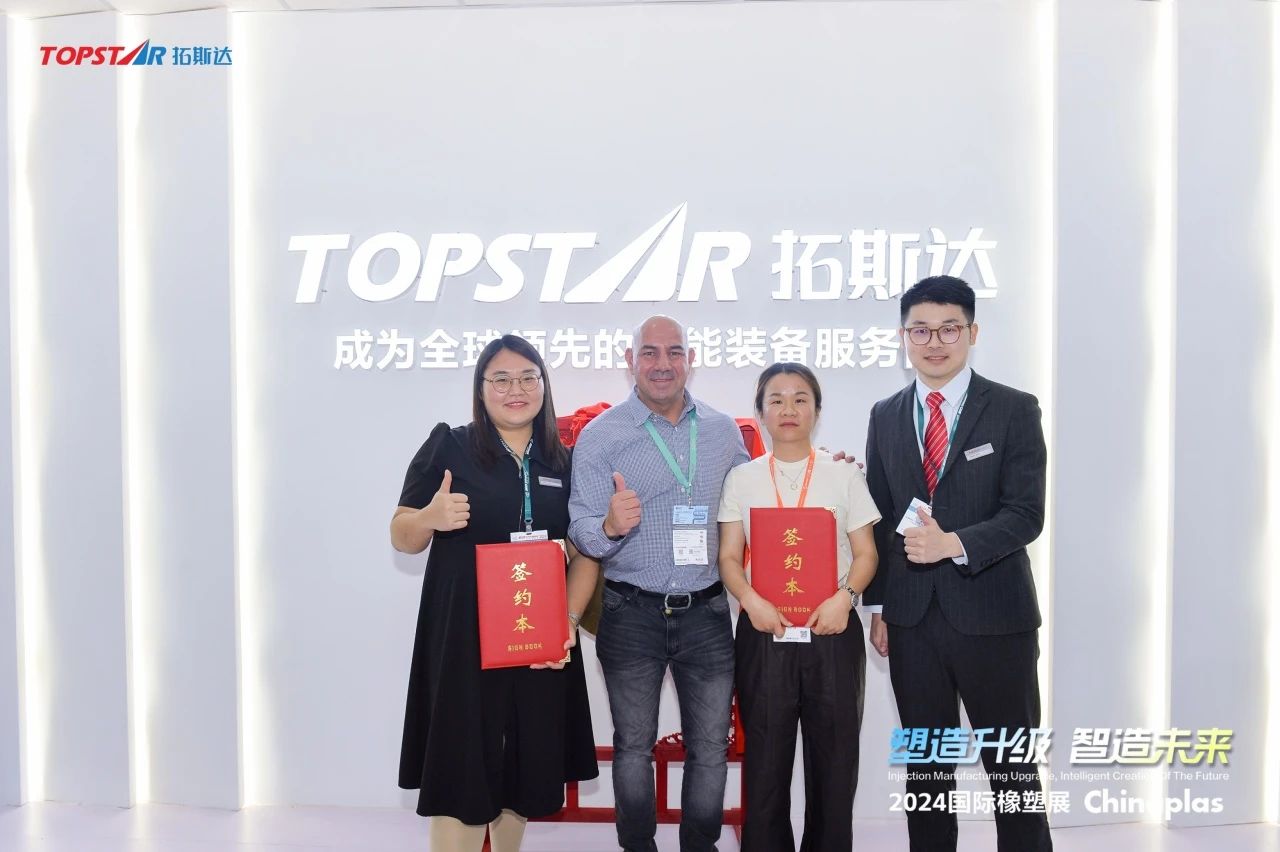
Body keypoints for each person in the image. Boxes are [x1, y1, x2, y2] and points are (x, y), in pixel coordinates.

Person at [862, 275, 1053, 852]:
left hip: (996, 617)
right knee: (926, 776)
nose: (934, 342)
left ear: (972, 332)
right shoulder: (885, 414)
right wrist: (879, 603)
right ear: (904, 337)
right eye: (920, 330)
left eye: (949, 329)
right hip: (912, 620)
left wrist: (955, 543)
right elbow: (883, 513)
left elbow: (1026, 513)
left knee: (1012, 773)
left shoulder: (1014, 408)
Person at [390, 334, 599, 852]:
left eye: (528, 377)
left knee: (522, 766)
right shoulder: (450, 446)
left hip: (537, 639)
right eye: (500, 379)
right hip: (464, 635)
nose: (516, 389)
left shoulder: (564, 460)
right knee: (460, 766)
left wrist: (567, 624)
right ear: (480, 388)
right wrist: (430, 517)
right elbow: (402, 534)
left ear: (544, 386)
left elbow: (585, 553)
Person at [568, 315, 749, 852]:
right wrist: (608, 526)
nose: (662, 364)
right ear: (631, 362)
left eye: (674, 352)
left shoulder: (722, 431)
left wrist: (826, 474)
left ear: (690, 359)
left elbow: (756, 502)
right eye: (649, 352)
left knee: (710, 748)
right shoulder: (600, 436)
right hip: (630, 612)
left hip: (707, 613)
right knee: (633, 747)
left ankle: (700, 845)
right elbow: (580, 529)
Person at [717, 362, 879, 852]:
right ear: (760, 412)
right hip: (765, 632)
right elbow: (729, 557)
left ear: (817, 410)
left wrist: (845, 599)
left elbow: (867, 553)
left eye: (800, 399)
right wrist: (751, 601)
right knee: (766, 762)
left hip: (832, 629)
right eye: (777, 399)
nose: (789, 409)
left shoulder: (843, 475)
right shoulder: (742, 478)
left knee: (835, 761)